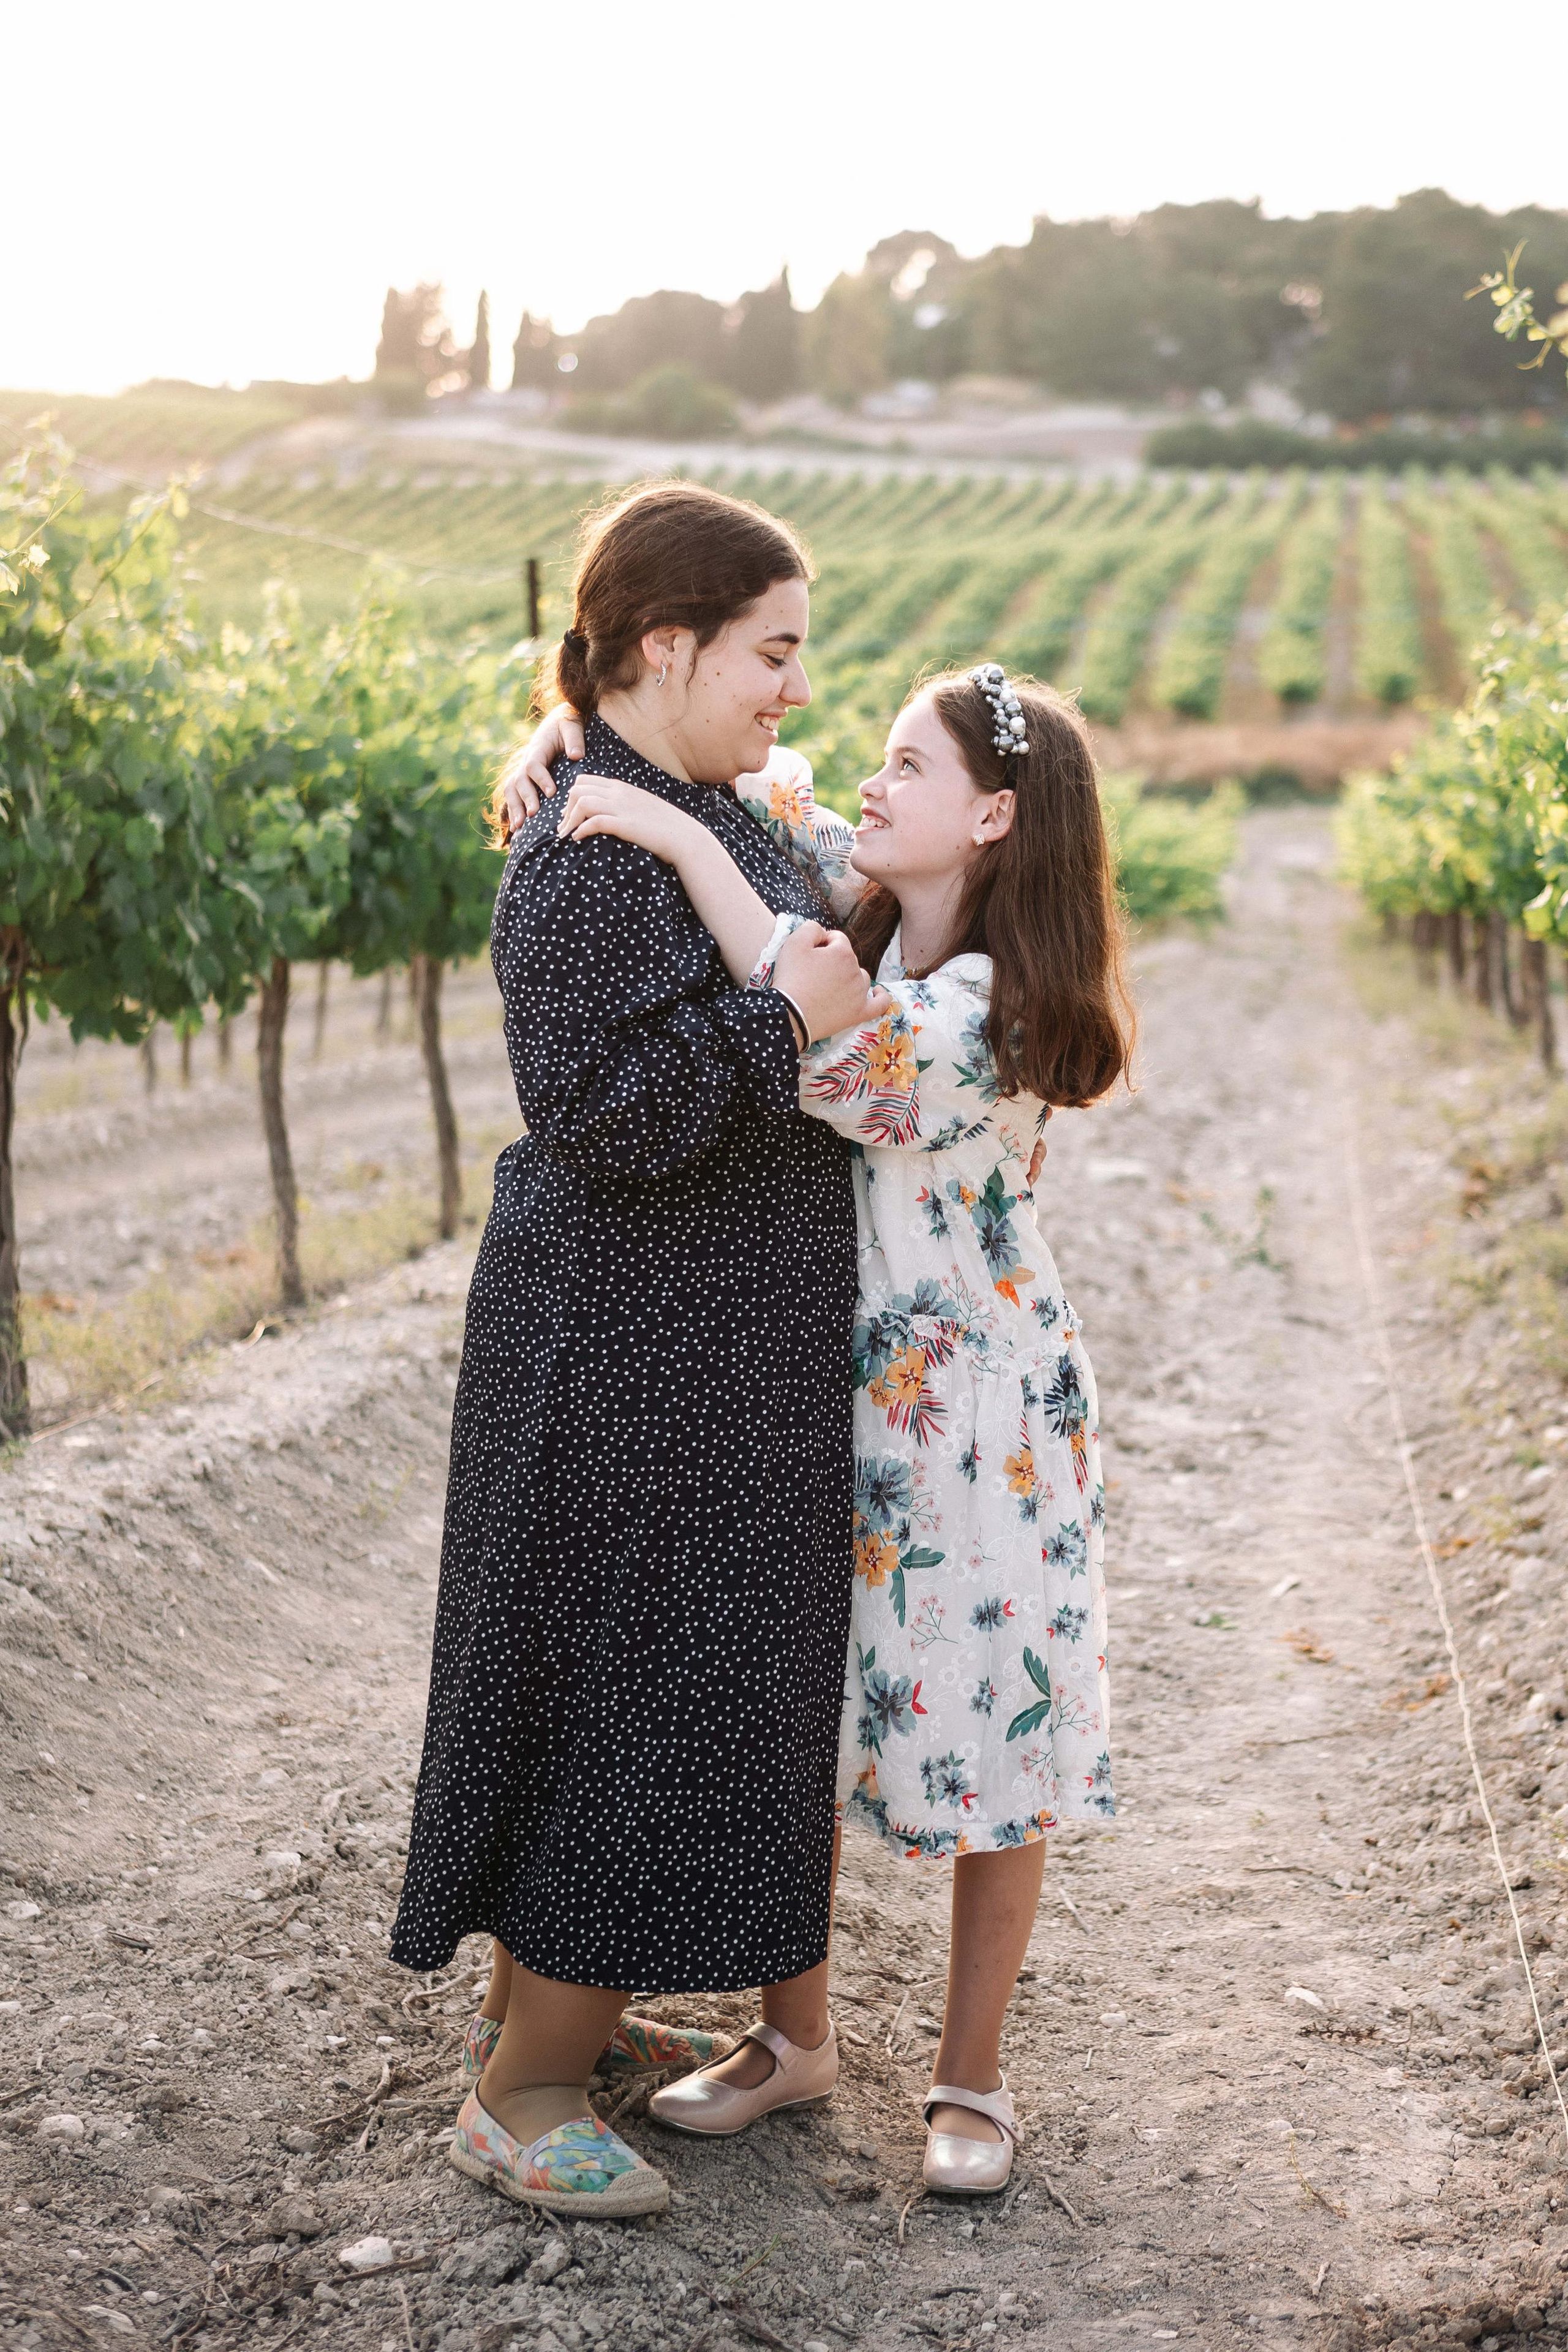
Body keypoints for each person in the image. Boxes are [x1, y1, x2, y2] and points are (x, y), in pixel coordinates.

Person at [512, 661, 1131, 2194]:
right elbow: (694, 762)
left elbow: (821, 1032)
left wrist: (675, 847)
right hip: (819, 1378)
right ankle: (797, 2046)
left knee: (992, 1721)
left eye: (905, 769)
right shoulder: (850, 892)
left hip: (974, 1418)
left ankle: (968, 2080)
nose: (863, 784)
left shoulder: (979, 1005)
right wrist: (563, 731)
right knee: (803, 1704)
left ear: (990, 818)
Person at [388, 480, 882, 2218]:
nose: (794, 687)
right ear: (665, 648)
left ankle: (555, 2019)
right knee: (624, 1698)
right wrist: (781, 1026)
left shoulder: (682, 792)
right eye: (774, 650)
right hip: (630, 1350)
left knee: (654, 1690)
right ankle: (521, 2095)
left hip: (703, 1347)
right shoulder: (592, 848)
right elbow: (599, 1114)